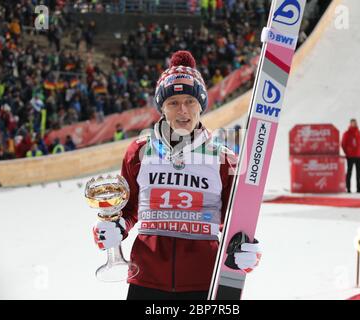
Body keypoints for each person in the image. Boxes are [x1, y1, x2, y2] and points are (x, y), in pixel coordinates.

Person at [92, 51, 262, 300]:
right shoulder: (139, 152)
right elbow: (128, 211)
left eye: (190, 102)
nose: (183, 110)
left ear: (201, 105)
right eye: (173, 103)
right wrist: (114, 226)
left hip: (202, 280)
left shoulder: (224, 158)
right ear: (162, 108)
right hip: (146, 278)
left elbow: (235, 222)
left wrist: (247, 250)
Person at [342, 119, 360, 193]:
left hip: (358, 155)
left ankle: (359, 188)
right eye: (352, 123)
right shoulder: (346, 133)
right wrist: (347, 152)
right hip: (350, 156)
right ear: (350, 124)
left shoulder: (359, 133)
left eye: (355, 123)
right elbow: (343, 144)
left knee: (358, 172)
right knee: (349, 172)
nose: (354, 124)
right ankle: (348, 188)